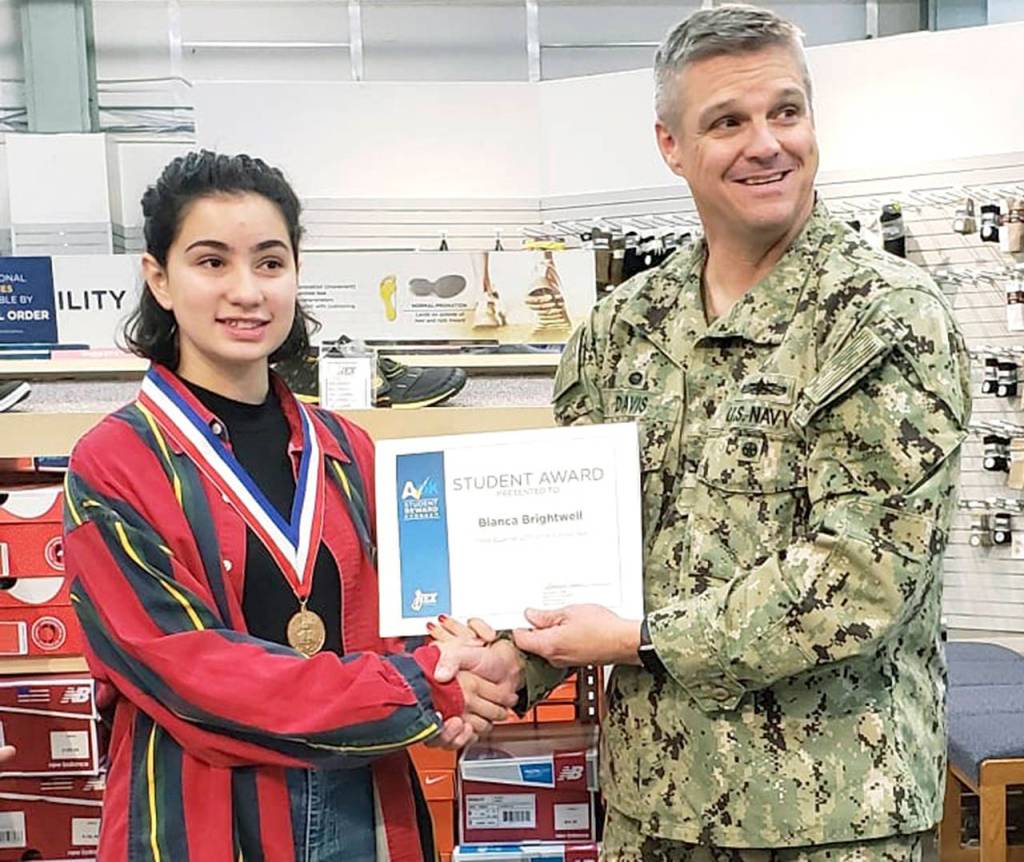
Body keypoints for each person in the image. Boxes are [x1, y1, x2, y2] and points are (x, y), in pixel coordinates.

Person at [512, 6, 971, 860]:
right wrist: (516, 657)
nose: (766, 144)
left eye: (785, 112)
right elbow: (579, 548)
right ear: (671, 146)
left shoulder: (887, 319)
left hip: (830, 817)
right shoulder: (619, 330)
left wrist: (641, 639)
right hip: (650, 810)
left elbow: (861, 576)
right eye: (728, 121)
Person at [63, 150, 522, 861]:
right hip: (201, 813)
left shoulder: (349, 449)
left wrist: (456, 672)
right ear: (159, 278)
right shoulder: (116, 463)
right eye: (211, 262)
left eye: (270, 263)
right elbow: (191, 675)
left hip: (365, 809)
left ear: (296, 274)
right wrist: (418, 692)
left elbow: (409, 617)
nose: (247, 290)